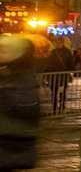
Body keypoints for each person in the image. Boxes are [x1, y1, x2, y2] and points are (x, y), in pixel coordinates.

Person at [0, 35, 39, 171]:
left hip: (12, 142)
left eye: (3, 50)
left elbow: (28, 107)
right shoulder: (5, 71)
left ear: (14, 53)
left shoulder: (22, 76)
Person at [45, 37, 75, 115]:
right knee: (55, 93)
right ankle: (56, 108)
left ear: (62, 43)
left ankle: (60, 108)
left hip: (60, 76)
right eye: (56, 42)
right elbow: (48, 64)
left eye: (58, 42)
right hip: (56, 76)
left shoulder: (64, 52)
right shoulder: (55, 52)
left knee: (61, 92)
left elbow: (70, 63)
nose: (57, 44)